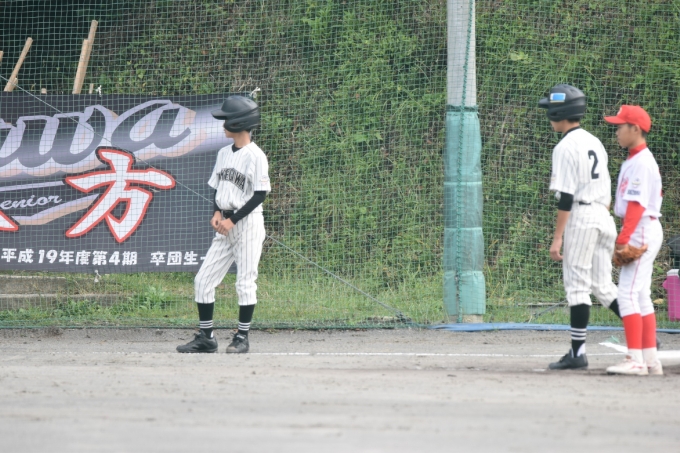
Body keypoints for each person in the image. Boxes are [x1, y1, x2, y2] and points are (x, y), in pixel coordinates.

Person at [539, 84, 624, 370]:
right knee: (603, 285)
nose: (549, 116)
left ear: (559, 112)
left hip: (582, 217)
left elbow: (566, 196)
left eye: (551, 110)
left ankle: (578, 353)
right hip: (603, 215)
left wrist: (557, 237)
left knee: (577, 287)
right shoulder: (593, 140)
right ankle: (646, 336)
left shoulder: (564, 147)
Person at [177, 94, 270, 354]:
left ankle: (242, 338)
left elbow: (260, 194)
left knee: (245, 282)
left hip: (247, 224)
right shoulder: (223, 153)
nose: (223, 124)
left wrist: (233, 220)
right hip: (225, 224)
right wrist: (217, 212)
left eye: (226, 119)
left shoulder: (256, 156)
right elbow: (217, 187)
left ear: (239, 123)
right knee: (203, 281)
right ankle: (206, 338)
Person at [604, 105, 663, 375]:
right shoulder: (636, 159)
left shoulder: (641, 162)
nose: (617, 131)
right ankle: (650, 360)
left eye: (620, 126)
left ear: (635, 128)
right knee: (640, 295)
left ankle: (635, 360)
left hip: (640, 228)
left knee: (626, 294)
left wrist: (623, 238)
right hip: (644, 227)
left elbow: (637, 205)